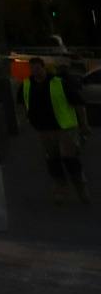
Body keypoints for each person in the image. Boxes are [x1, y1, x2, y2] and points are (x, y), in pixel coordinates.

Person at [22, 57, 89, 204]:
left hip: (64, 127)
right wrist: (29, 120)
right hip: (43, 128)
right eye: (32, 68)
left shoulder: (59, 83)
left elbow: (78, 103)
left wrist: (83, 125)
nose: (35, 71)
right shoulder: (27, 84)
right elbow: (24, 103)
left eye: (37, 67)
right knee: (53, 159)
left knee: (69, 157)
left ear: (43, 67)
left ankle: (81, 188)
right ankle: (61, 189)